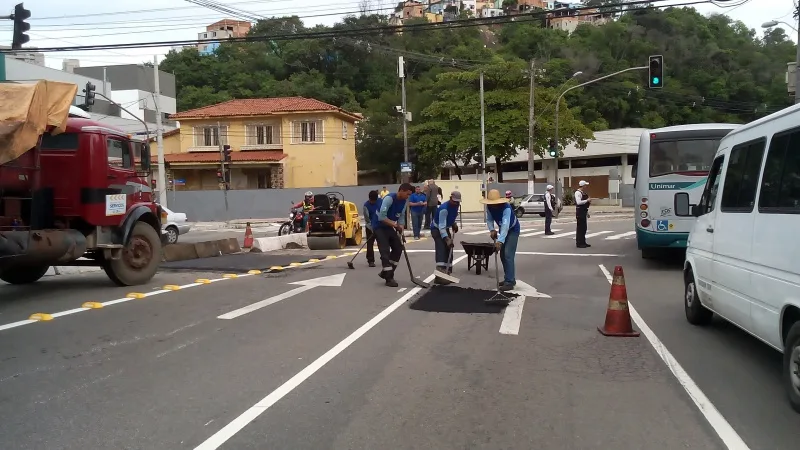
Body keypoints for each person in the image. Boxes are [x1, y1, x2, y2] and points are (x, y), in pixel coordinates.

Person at [374, 183, 414, 287]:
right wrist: (395, 225)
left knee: (398, 247)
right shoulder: (389, 199)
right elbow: (382, 217)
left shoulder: (404, 202)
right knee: (385, 250)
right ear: (401, 191)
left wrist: (401, 228)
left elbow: (401, 216)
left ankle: (386, 272)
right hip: (379, 226)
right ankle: (389, 277)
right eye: (407, 194)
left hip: (390, 226)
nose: (408, 197)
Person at [481, 189, 520, 292]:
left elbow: (506, 226)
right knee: (502, 255)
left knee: (508, 254)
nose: (493, 205)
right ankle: (509, 278)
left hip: (512, 229)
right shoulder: (489, 207)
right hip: (503, 229)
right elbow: (489, 219)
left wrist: (500, 241)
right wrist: (492, 230)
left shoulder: (506, 208)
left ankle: (510, 282)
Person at [431, 191, 461, 283]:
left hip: (445, 228)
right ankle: (439, 276)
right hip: (437, 229)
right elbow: (442, 227)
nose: (456, 203)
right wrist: (447, 239)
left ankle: (447, 273)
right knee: (442, 250)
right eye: (454, 201)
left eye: (458, 202)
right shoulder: (444, 209)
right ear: (450, 198)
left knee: (449, 250)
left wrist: (453, 224)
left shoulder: (456, 206)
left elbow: (451, 217)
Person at [362, 190, 380, 267]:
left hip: (379, 226)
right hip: (370, 228)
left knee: (382, 243)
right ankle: (370, 260)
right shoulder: (366, 206)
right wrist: (372, 229)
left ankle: (385, 259)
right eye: (371, 200)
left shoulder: (380, 202)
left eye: (374, 201)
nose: (372, 202)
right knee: (370, 244)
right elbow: (367, 220)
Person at [574, 180, 592, 248]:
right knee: (580, 228)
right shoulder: (577, 193)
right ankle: (579, 243)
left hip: (583, 211)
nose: (586, 186)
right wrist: (587, 200)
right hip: (580, 212)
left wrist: (587, 212)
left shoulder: (583, 193)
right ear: (583, 185)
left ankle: (583, 242)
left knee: (584, 228)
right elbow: (578, 202)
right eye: (585, 185)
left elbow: (585, 204)